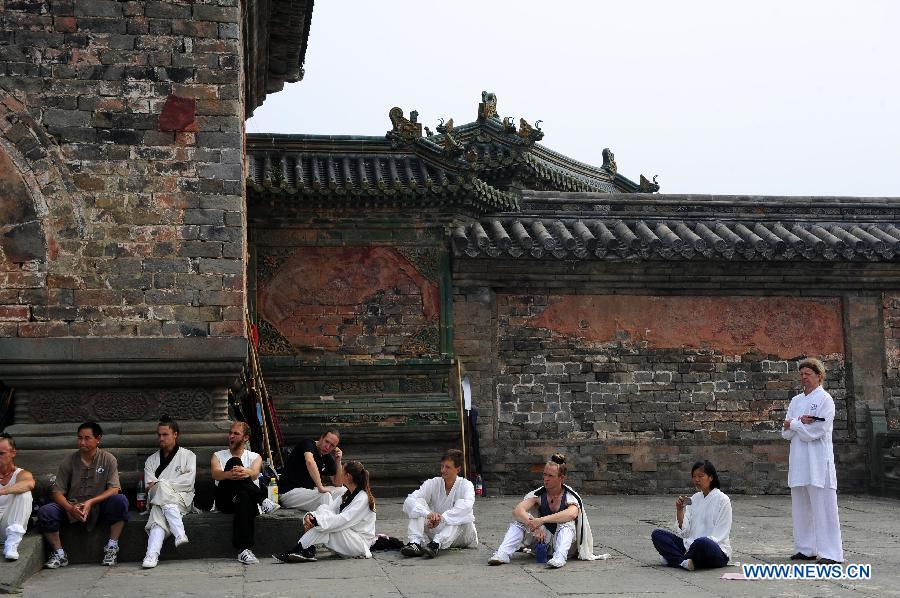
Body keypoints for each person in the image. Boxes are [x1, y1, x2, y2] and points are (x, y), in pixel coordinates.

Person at [37, 421, 130, 568]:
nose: (82, 442)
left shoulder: (108, 459)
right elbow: (57, 492)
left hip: (99, 508)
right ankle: (59, 554)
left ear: (98, 439)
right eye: (79, 438)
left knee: (120, 501)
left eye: (87, 438)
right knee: (46, 511)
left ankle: (112, 547)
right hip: (72, 508)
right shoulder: (68, 460)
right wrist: (70, 508)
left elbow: (114, 488)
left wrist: (91, 502)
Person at [488, 453, 601, 568]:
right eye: (544, 475)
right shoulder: (539, 494)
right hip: (542, 541)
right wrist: (533, 524)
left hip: (565, 545)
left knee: (567, 524)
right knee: (520, 522)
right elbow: (518, 510)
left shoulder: (570, 496)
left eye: (550, 476)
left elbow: (571, 514)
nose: (546, 479)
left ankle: (559, 558)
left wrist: (541, 520)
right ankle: (502, 554)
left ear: (561, 478)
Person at [781, 357, 843, 564]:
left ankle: (831, 553)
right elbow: (785, 432)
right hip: (798, 461)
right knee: (801, 507)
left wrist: (795, 425)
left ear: (819, 376)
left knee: (824, 508)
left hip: (818, 463)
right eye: (801, 374)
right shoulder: (796, 401)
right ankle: (806, 549)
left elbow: (816, 431)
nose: (804, 378)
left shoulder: (825, 400)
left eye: (808, 374)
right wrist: (799, 422)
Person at [272, 460, 376, 563]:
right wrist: (311, 516)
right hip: (349, 539)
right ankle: (305, 549)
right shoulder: (346, 495)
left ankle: (301, 549)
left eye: (342, 471)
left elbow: (344, 520)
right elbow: (328, 509)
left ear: (348, 476)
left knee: (324, 526)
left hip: (358, 544)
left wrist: (318, 521)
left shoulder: (363, 498)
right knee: (322, 516)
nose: (339, 473)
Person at [211, 421, 277, 565]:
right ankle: (263, 500)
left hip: (245, 501)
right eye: (230, 433)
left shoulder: (255, 457)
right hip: (225, 500)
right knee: (233, 460)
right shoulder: (218, 455)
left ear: (246, 438)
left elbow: (254, 474)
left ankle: (244, 550)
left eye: (236, 433)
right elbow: (216, 474)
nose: (231, 436)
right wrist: (231, 473)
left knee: (244, 496)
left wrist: (243, 471)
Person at [650, 460, 732, 570]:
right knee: (658, 534)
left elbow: (720, 534)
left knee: (702, 542)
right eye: (694, 477)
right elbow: (685, 532)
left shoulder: (723, 500)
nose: (696, 480)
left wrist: (694, 546)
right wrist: (680, 510)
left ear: (711, 477)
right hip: (690, 547)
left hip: (713, 549)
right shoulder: (694, 499)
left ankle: (676, 560)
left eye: (700, 476)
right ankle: (685, 562)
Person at [400, 448, 478, 558]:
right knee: (418, 502)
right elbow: (409, 501)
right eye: (442, 466)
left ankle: (436, 543)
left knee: (462, 509)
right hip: (435, 529)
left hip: (461, 536)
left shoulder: (466, 485)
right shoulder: (433, 483)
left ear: (458, 469)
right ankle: (415, 543)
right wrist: (429, 515)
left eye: (447, 467)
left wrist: (441, 518)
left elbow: (466, 507)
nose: (443, 470)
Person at [141, 415, 196, 568]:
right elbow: (149, 486)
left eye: (165, 434)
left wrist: (161, 483)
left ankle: (151, 555)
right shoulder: (151, 460)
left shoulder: (188, 456)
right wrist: (161, 485)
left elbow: (187, 483)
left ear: (175, 434)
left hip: (182, 499)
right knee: (159, 492)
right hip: (160, 499)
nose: (161, 438)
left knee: (158, 507)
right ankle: (179, 532)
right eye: (159, 435)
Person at [278, 429, 344, 510]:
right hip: (288, 493)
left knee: (343, 491)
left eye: (332, 445)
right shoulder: (308, 443)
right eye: (327, 441)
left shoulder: (326, 455)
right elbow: (310, 461)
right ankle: (331, 520)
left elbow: (338, 483)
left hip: (307, 492)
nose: (327, 447)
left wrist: (338, 461)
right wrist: (320, 487)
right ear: (321, 437)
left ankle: (339, 515)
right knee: (325, 495)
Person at [0, 433, 35, 561]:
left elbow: (29, 484)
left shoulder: (21, 473)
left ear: (13, 453)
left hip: (8, 527)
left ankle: (11, 545)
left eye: (1, 453)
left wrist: (3, 491)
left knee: (25, 493)